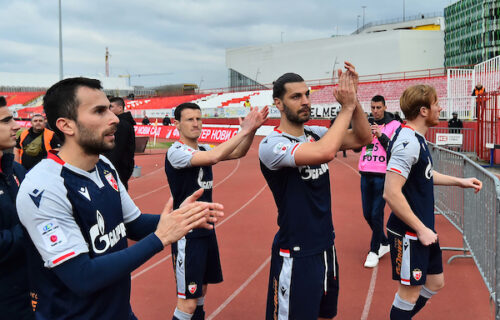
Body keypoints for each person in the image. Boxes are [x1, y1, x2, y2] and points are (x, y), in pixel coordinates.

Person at [16, 77, 224, 319]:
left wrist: (181, 218)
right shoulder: (43, 188)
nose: (114, 118)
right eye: (99, 111)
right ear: (66, 125)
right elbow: (82, 277)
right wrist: (161, 237)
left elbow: (132, 224)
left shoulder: (103, 165)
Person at [259, 62, 371, 319]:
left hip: (325, 247)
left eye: (307, 94)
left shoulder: (315, 132)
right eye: (296, 96)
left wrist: (354, 101)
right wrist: (347, 107)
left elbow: (363, 138)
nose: (305, 100)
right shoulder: (272, 145)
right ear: (279, 103)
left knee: (324, 314)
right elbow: (326, 153)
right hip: (295, 253)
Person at [383, 84, 482, 319]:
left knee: (436, 282)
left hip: (423, 228)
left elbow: (424, 174)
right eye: (436, 103)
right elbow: (391, 192)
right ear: (424, 111)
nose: (440, 108)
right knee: (408, 294)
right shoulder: (408, 143)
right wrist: (420, 229)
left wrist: (460, 181)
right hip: (410, 231)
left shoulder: (415, 138)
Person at [165, 102, 268, 320]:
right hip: (187, 233)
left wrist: (252, 130)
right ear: (177, 125)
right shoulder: (176, 152)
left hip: (206, 230)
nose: (196, 123)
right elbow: (213, 158)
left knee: (201, 293)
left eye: (199, 119)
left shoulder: (202, 148)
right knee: (188, 303)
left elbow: (239, 152)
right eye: (190, 119)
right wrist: (244, 130)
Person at [0, 96, 34, 319]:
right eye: (6, 121)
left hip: (26, 292)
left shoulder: (17, 171)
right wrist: (35, 230)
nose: (16, 126)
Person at [359, 95, 401, 268]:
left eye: (378, 107)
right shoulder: (366, 123)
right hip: (365, 172)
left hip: (382, 175)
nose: (375, 111)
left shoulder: (394, 125)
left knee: (377, 213)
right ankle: (384, 242)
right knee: (367, 214)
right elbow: (357, 146)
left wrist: (381, 135)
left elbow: (395, 149)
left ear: (384, 107)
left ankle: (374, 250)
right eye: (373, 107)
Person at [102, 97, 136, 190]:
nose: (109, 110)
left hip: (118, 167)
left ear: (120, 108)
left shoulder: (121, 124)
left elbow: (117, 149)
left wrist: (109, 166)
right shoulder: (124, 122)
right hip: (122, 166)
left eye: (111, 107)